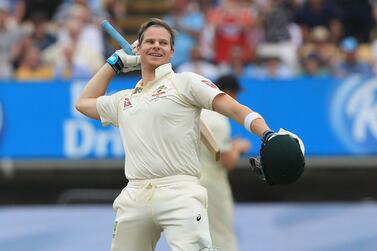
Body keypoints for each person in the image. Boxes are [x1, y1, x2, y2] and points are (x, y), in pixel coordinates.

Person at [75, 18, 272, 251]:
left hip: (180, 192)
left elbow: (234, 108)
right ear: (138, 48)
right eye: (149, 42)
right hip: (135, 194)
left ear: (172, 52)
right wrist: (115, 63)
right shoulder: (125, 99)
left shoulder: (185, 82)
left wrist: (267, 134)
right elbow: (83, 103)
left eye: (163, 43)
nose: (156, 46)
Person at [199, 74, 250, 251]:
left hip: (189, 184)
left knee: (196, 238)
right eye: (235, 94)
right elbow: (227, 162)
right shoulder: (219, 120)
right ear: (227, 93)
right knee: (221, 236)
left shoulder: (198, 113)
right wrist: (238, 148)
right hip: (212, 185)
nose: (236, 100)